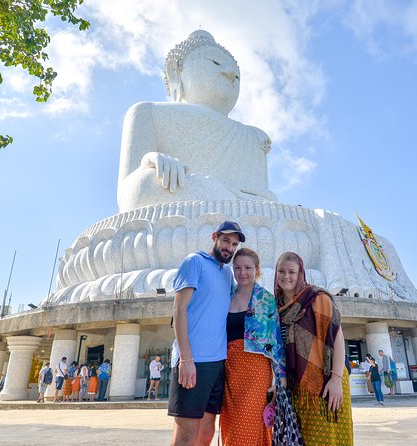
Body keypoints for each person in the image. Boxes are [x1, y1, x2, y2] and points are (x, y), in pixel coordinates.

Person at [117, 30, 276, 213]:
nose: (230, 74)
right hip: (185, 198)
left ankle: (233, 209)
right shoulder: (147, 112)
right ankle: (233, 209)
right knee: (144, 185)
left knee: (269, 210)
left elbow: (260, 197)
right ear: (175, 71)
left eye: (237, 76)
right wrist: (148, 162)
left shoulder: (254, 137)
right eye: (215, 62)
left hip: (248, 210)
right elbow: (127, 196)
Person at [168, 220, 244, 446]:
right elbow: (179, 310)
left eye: (234, 244)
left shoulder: (228, 274)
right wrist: (186, 359)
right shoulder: (195, 262)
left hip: (217, 362)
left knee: (206, 432)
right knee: (187, 432)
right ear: (214, 237)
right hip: (193, 360)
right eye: (226, 241)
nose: (229, 247)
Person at [275, 252, 353, 445]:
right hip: (299, 388)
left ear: (300, 273)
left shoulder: (317, 298)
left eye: (292, 272)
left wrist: (335, 380)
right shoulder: (276, 306)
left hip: (327, 381)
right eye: (282, 271)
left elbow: (338, 338)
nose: (287, 276)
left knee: (330, 438)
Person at [220, 248, 286, 446]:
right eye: (237, 267)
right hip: (228, 370)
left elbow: (276, 342)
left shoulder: (266, 300)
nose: (242, 272)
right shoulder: (224, 296)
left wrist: (280, 378)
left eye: (248, 267)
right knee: (230, 425)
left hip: (256, 371)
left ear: (256, 269)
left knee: (249, 424)